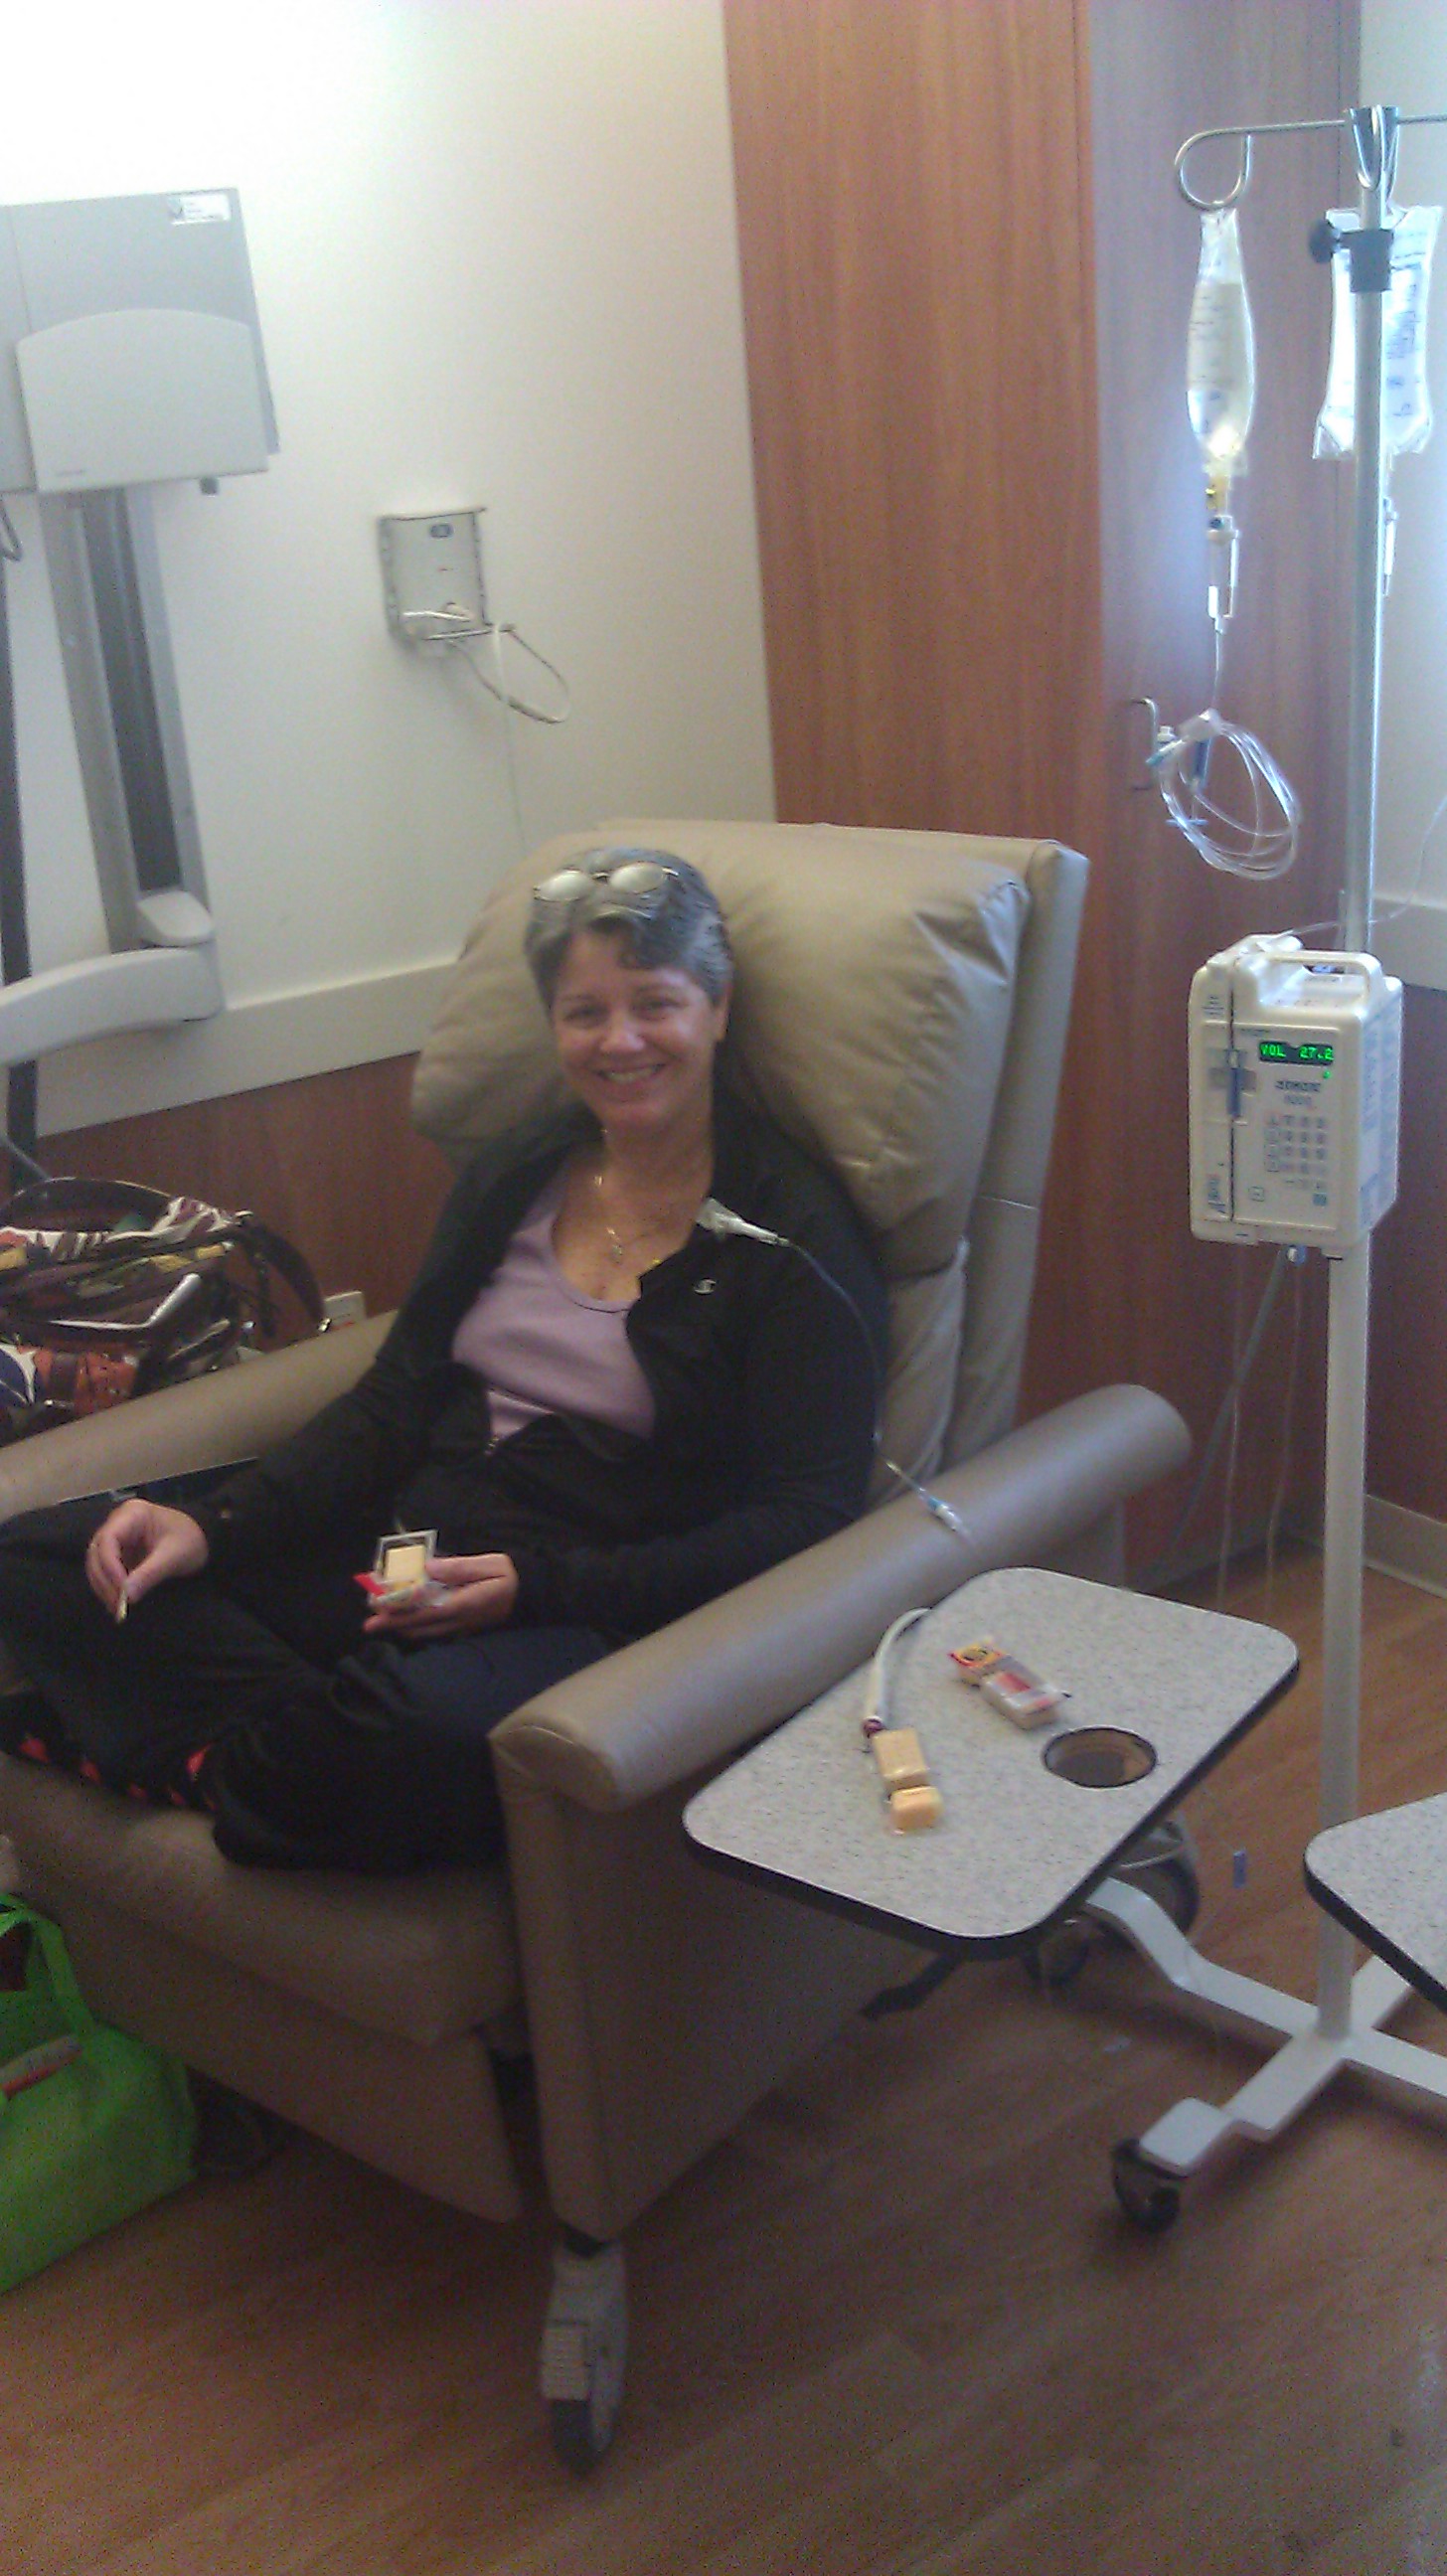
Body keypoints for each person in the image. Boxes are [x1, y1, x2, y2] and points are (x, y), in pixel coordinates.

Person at [0, 851, 886, 1872]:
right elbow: (393, 1400)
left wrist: (539, 1586)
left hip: (581, 1605)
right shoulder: (518, 1173)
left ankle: (205, 1755)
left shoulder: (790, 1237)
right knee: (47, 1556)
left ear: (717, 1009)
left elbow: (807, 1515)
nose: (620, 1041)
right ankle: (282, 1757)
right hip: (400, 1552)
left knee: (420, 1733)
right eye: (585, 1013)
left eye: (655, 1004)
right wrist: (215, 1524)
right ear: (554, 1026)